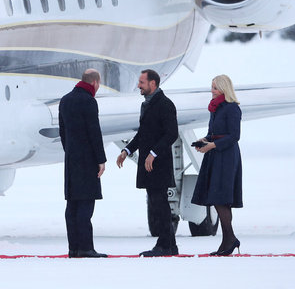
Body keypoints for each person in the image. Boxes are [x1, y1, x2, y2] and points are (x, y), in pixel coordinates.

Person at [116, 69, 179, 257]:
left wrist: (153, 153)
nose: (138, 86)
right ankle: (170, 245)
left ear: (153, 83)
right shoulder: (147, 104)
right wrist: (127, 150)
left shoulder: (165, 104)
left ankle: (164, 245)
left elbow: (171, 134)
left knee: (159, 203)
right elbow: (143, 134)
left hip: (159, 164)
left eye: (142, 82)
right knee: (156, 202)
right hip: (149, 164)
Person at [191, 74, 243, 256]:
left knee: (221, 198)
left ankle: (230, 239)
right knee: (218, 198)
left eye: (214, 87)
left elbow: (234, 136)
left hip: (226, 156)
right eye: (211, 87)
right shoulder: (215, 108)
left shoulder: (232, 108)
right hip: (215, 155)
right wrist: (204, 140)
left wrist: (212, 145)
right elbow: (213, 133)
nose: (211, 91)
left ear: (223, 88)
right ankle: (228, 240)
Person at [59, 69, 108, 258]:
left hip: (71, 159)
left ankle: (74, 248)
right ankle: (86, 248)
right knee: (86, 204)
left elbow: (62, 131)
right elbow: (94, 132)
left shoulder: (65, 100)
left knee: (72, 205)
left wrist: (70, 150)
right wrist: (101, 159)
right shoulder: (89, 101)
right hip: (87, 159)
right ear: (95, 83)